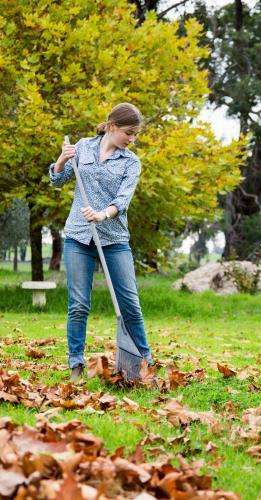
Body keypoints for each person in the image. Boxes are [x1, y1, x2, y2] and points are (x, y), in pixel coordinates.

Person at [48, 103, 152, 381]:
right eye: (128, 132)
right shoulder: (82, 147)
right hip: (78, 237)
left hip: (114, 238)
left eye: (136, 135)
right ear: (112, 126)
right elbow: (58, 181)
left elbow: (122, 201)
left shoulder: (131, 162)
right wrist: (61, 160)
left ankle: (143, 363)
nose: (132, 139)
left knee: (130, 304)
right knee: (79, 304)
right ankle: (76, 366)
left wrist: (102, 214)